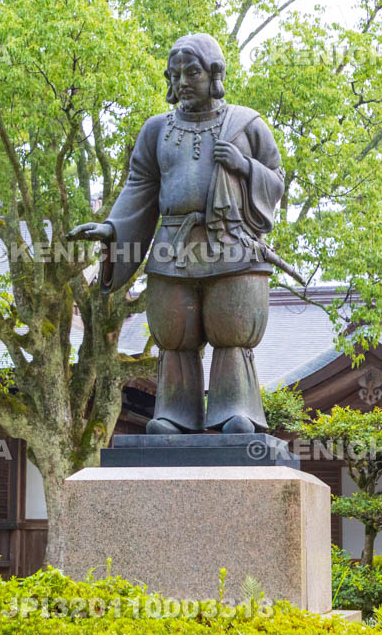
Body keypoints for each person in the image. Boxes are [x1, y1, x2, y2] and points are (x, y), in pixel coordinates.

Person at [67, 33, 284, 435]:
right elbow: (140, 187)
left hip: (230, 241)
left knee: (230, 326)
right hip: (172, 245)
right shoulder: (156, 130)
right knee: (174, 332)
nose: (183, 81)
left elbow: (276, 179)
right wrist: (113, 229)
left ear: (215, 74)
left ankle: (235, 409)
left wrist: (244, 166)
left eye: (193, 72)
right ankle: (175, 415)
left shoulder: (247, 125)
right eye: (176, 74)